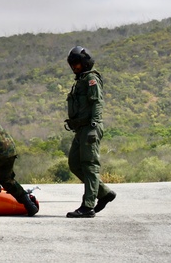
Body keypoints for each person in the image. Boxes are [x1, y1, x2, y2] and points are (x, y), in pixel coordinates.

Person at [64, 45, 116, 218]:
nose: (74, 67)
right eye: (72, 64)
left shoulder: (91, 79)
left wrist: (94, 126)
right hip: (81, 129)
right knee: (74, 163)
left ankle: (88, 206)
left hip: (90, 127)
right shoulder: (81, 80)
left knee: (90, 165)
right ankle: (104, 193)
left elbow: (97, 103)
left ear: (85, 63)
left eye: (77, 63)